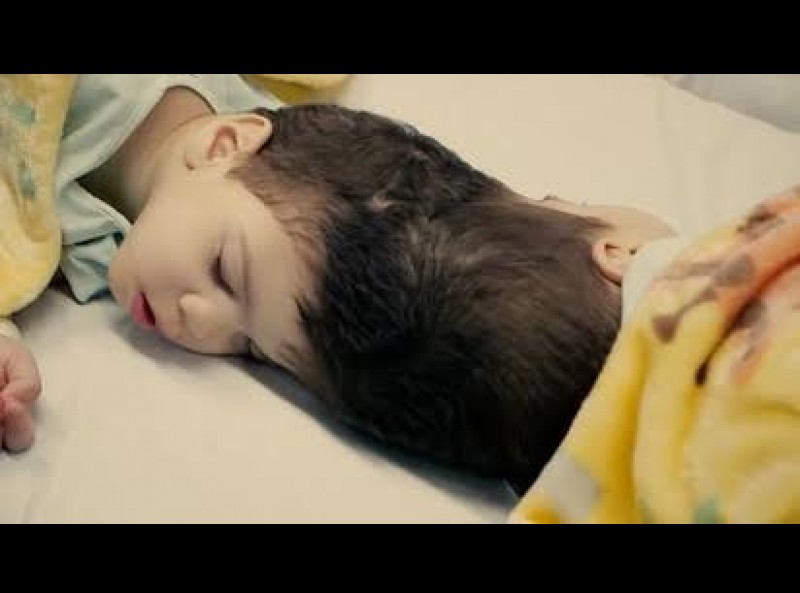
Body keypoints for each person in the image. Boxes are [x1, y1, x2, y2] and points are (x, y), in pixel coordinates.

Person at [0, 74, 683, 491]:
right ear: (223, 145)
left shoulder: (220, 208)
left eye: (250, 348)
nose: (203, 324)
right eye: (225, 272)